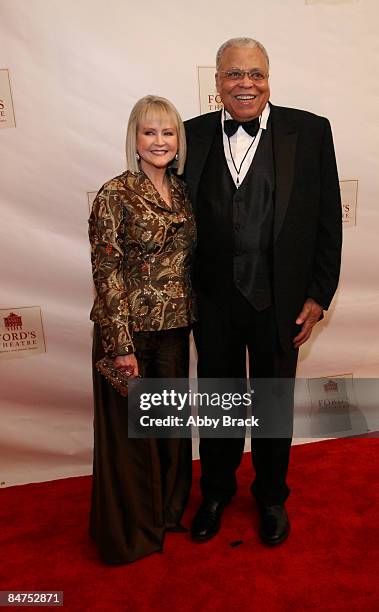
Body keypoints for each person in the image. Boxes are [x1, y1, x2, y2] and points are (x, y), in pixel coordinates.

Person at [184, 37, 342, 545]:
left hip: (280, 301)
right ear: (217, 83)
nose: (245, 84)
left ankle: (272, 496)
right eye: (234, 74)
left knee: (273, 404)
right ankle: (216, 491)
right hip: (213, 302)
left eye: (255, 74)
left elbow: (326, 222)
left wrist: (318, 294)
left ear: (269, 77)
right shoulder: (191, 135)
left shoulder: (310, 131)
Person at [88, 95, 196, 564]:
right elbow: (106, 272)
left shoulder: (184, 191)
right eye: (149, 132)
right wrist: (120, 346)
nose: (159, 141)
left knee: (169, 431)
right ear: (134, 139)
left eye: (168, 132)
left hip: (174, 330)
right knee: (132, 438)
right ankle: (131, 532)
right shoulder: (114, 193)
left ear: (178, 141)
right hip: (128, 334)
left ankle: (167, 513)